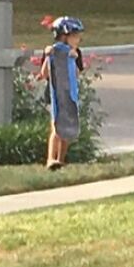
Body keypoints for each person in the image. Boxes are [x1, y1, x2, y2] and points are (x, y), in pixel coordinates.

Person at [38, 17, 85, 170]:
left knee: (67, 127)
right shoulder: (51, 51)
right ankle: (50, 159)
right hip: (54, 94)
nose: (79, 39)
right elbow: (44, 74)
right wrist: (48, 57)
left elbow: (77, 74)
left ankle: (60, 160)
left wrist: (74, 59)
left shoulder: (76, 52)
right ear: (64, 36)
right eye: (75, 36)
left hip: (69, 94)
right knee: (56, 126)